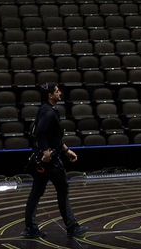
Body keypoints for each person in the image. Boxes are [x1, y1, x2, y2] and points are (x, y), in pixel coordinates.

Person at [23, 82, 87, 240]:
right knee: (62, 188)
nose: (60, 93)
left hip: (45, 158)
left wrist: (66, 150)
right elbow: (39, 133)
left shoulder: (46, 110)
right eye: (57, 91)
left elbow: (54, 137)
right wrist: (45, 152)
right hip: (48, 161)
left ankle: (30, 227)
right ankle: (71, 226)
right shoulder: (49, 113)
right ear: (50, 95)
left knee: (37, 192)